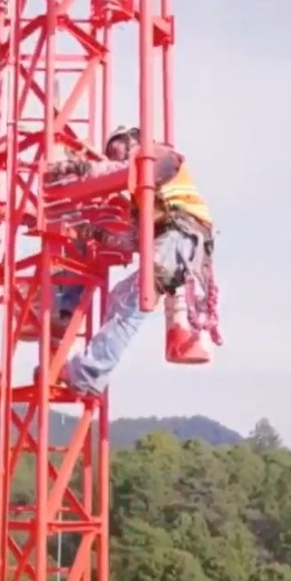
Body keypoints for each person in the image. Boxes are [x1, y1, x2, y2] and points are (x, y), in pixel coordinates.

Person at [44, 126, 218, 396]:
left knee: (133, 302)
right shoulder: (143, 198)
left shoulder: (159, 156)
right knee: (119, 296)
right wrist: (96, 234)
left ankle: (88, 372)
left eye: (116, 149)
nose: (113, 158)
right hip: (174, 238)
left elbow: (120, 172)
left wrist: (77, 168)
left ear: (134, 141)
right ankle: (92, 370)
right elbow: (134, 241)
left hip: (182, 233)